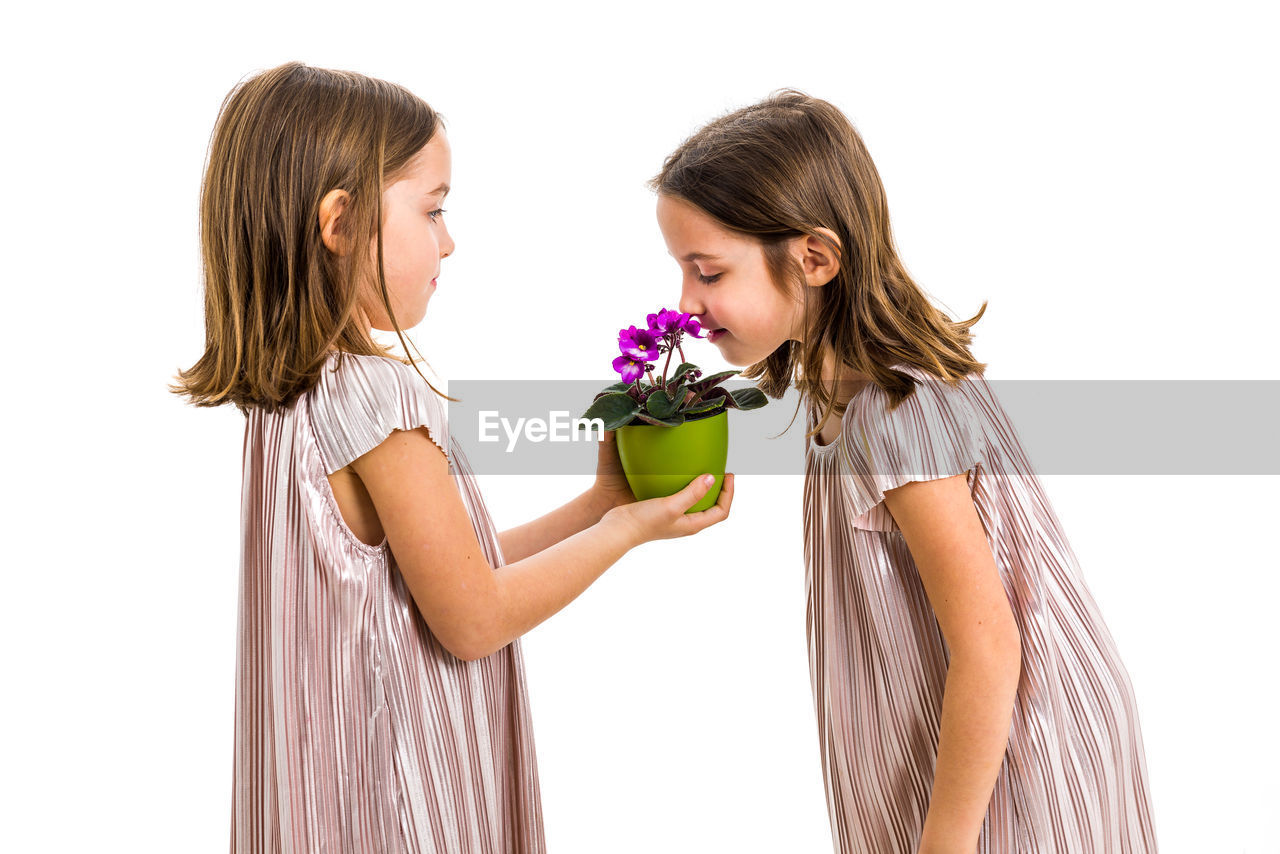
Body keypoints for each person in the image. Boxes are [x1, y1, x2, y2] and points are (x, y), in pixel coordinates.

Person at [171, 62, 734, 853]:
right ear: (339, 223)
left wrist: (601, 503)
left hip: (322, 798)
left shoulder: (292, 400)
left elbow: (439, 579)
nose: (450, 240)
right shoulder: (379, 400)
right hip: (400, 797)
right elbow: (472, 621)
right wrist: (627, 533)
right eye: (432, 211)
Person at [650, 90, 1157, 853]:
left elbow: (989, 648)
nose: (685, 304)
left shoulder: (897, 414)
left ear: (815, 258)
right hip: (948, 749)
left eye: (708, 273)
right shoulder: (847, 397)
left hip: (1016, 768)